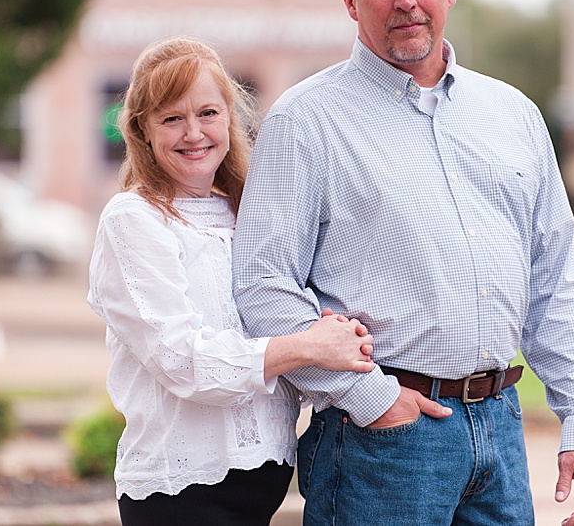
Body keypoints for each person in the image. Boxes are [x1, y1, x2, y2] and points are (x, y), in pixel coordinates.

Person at [232, 0, 574, 526]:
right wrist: (372, 398)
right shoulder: (306, 123)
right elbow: (262, 286)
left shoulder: (513, 115)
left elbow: (554, 283)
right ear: (352, 0)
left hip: (501, 429)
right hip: (380, 443)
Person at [87, 36, 376, 526]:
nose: (193, 133)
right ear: (143, 131)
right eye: (171, 118)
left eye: (207, 113)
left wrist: (330, 330)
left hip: (262, 486)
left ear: (229, 118)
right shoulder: (133, 220)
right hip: (180, 494)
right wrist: (306, 346)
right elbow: (182, 360)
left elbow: (276, 321)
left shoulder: (247, 212)